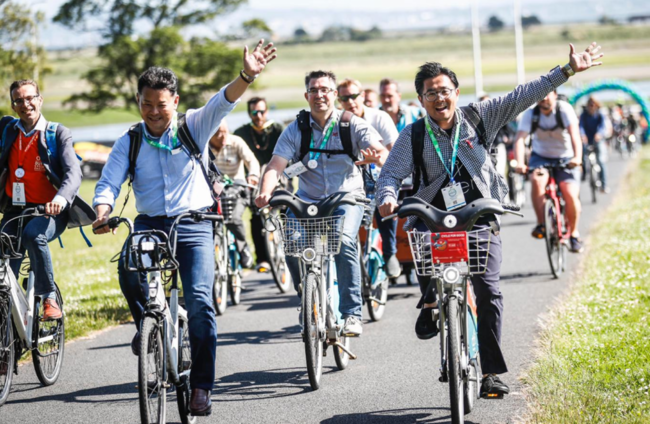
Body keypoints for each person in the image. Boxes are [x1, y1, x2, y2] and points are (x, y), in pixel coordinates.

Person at [377, 42, 603, 398]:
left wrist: (567, 71)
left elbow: (523, 95)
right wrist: (387, 197)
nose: (439, 98)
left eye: (444, 91)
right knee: (422, 249)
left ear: (456, 92)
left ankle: (491, 373)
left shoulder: (479, 116)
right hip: (433, 216)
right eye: (430, 93)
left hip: (479, 214)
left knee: (489, 291)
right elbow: (390, 173)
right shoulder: (414, 134)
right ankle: (431, 300)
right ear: (420, 100)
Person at [92, 40, 277, 416]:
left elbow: (222, 102)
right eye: (146, 103)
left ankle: (202, 386)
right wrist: (102, 210)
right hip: (150, 224)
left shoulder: (193, 125)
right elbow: (109, 181)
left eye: (161, 104)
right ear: (138, 101)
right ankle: (148, 326)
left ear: (174, 101)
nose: (153, 111)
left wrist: (246, 75)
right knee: (127, 269)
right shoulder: (130, 140)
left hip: (193, 223)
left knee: (199, 302)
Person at [255, 70, 389, 337]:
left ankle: (351, 314)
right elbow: (276, 165)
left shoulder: (351, 124)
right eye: (314, 90)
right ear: (306, 96)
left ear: (334, 95)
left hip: (346, 197)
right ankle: (307, 297)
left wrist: (378, 158)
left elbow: (381, 151)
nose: (319, 95)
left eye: (325, 90)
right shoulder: (296, 129)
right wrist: (264, 192)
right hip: (307, 199)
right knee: (291, 244)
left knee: (344, 241)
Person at [0, 80, 95, 320]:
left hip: (49, 210)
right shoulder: (7, 129)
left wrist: (60, 200)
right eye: (19, 100)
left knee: (34, 235)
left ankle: (48, 297)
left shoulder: (57, 133)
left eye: (30, 98)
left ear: (40, 100)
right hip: (15, 210)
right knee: (4, 265)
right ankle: (10, 325)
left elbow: (73, 172)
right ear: (13, 106)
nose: (25, 104)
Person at [336, 78, 401, 277]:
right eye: (344, 98)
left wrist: (379, 160)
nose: (350, 102)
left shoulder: (379, 117)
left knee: (385, 199)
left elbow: (396, 154)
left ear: (362, 96)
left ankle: (390, 252)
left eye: (354, 96)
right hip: (349, 180)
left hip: (380, 176)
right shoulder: (337, 122)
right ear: (339, 101)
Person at [514, 89, 585, 253]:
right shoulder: (530, 114)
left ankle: (574, 234)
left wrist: (577, 158)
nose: (544, 98)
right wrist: (519, 163)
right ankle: (542, 224)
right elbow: (520, 139)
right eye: (540, 95)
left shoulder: (564, 110)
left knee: (570, 193)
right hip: (541, 156)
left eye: (547, 94)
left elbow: (575, 136)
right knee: (537, 181)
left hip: (566, 157)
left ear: (555, 95)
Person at [233, 96, 284, 272]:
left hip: (279, 177)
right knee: (256, 216)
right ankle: (262, 259)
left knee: (287, 208)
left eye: (262, 111)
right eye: (255, 112)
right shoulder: (241, 133)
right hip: (254, 181)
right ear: (249, 114)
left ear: (267, 111)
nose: (259, 116)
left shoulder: (277, 129)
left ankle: (293, 248)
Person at [209, 121, 260, 268]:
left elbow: (251, 160)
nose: (222, 136)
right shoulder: (204, 146)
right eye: (217, 133)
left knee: (233, 218)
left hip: (237, 188)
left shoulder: (236, 142)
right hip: (214, 191)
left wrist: (253, 175)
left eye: (225, 131)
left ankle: (244, 249)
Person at [579, 96, 609, 193]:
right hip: (587, 139)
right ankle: (584, 174)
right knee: (582, 157)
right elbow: (581, 126)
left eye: (593, 104)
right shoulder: (584, 115)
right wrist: (582, 135)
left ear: (596, 105)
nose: (591, 106)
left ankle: (603, 185)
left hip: (597, 139)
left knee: (600, 161)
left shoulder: (600, 114)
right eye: (590, 104)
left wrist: (599, 134)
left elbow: (602, 126)